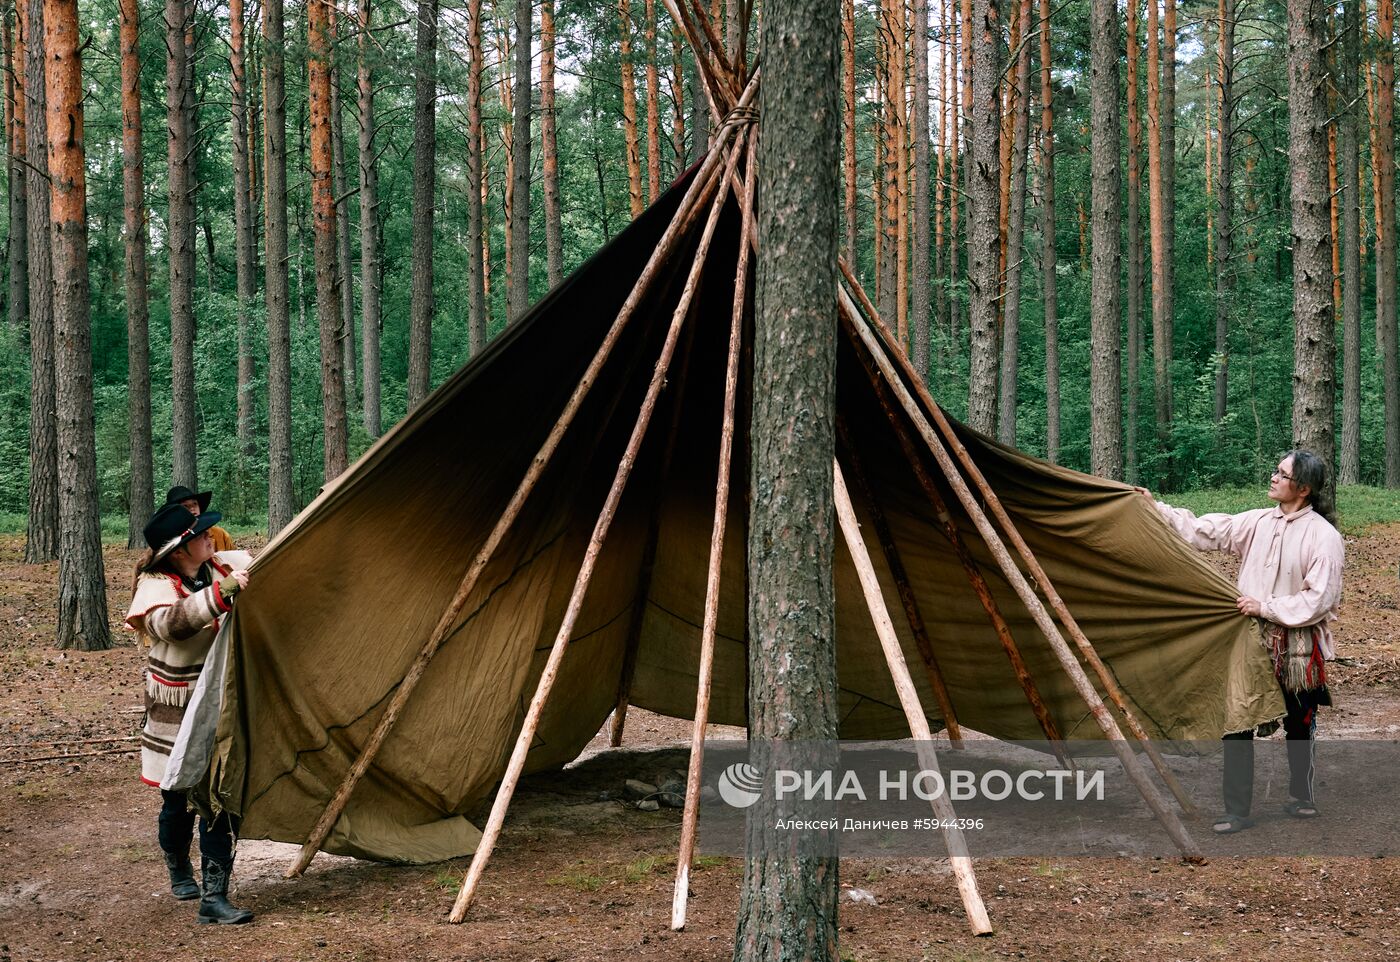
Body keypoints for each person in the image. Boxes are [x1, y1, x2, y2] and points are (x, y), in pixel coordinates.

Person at [1141, 450, 1343, 835]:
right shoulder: (1257, 521)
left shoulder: (1324, 537)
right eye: (1275, 470)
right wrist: (1156, 507)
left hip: (1295, 644)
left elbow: (1320, 598)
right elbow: (1205, 530)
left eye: (1281, 474)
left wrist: (1265, 606)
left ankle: (1302, 795)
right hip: (1248, 639)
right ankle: (1237, 811)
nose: (1273, 477)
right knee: (1238, 720)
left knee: (1299, 722)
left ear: (1302, 489)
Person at [126, 503, 255, 924]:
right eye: (200, 535)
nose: (210, 538)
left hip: (223, 703)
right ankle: (178, 865)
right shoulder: (154, 585)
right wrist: (224, 594)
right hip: (178, 711)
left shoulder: (220, 567)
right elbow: (172, 625)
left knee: (221, 795)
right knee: (177, 801)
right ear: (180, 550)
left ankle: (214, 897)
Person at [164, 485, 236, 553]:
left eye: (195, 503)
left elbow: (235, 562)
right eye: (185, 506)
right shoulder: (170, 542)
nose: (192, 508)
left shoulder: (220, 534)